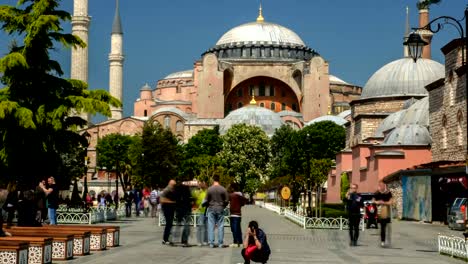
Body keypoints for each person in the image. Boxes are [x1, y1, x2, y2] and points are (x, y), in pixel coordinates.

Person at [206, 174, 229, 248]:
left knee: (211, 226)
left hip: (211, 208)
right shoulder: (223, 189)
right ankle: (220, 243)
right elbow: (227, 200)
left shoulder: (209, 189)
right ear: (219, 180)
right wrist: (223, 206)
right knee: (220, 226)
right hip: (220, 208)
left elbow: (206, 200)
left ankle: (211, 243)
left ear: (213, 180)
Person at [373, 180, 393, 247]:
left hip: (387, 212)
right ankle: (382, 241)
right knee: (382, 227)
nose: (381, 186)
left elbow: (391, 202)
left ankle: (386, 241)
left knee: (387, 227)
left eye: (382, 185)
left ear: (385, 185)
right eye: (380, 185)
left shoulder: (388, 193)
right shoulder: (377, 193)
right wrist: (377, 202)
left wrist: (383, 203)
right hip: (379, 212)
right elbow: (373, 201)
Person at [229, 183, 248, 247]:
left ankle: (235, 242)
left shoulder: (232, 195)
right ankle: (240, 242)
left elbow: (226, 200)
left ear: (232, 188)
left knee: (234, 229)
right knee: (238, 228)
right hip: (238, 214)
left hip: (233, 214)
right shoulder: (239, 194)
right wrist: (240, 204)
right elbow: (245, 201)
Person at [160, 179, 177, 245]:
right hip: (167, 209)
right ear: (170, 184)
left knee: (170, 224)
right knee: (169, 223)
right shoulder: (166, 190)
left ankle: (167, 238)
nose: (174, 186)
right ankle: (165, 239)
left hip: (171, 209)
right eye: (173, 185)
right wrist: (172, 202)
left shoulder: (172, 190)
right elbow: (161, 200)